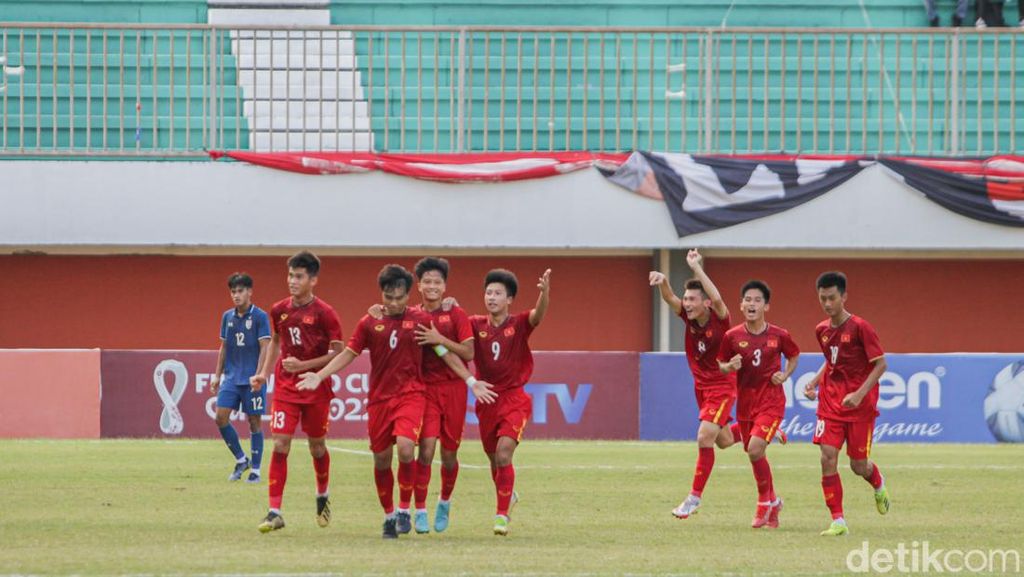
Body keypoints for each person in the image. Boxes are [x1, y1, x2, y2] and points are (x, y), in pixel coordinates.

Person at [300, 264, 494, 539]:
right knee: (381, 460)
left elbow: (443, 353)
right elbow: (349, 353)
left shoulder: (419, 320)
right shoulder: (369, 322)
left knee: (406, 448)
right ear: (381, 295)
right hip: (380, 399)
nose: (393, 303)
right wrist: (319, 376)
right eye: (388, 297)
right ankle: (389, 515)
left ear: (408, 295)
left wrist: (471, 381)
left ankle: (405, 509)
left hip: (412, 395)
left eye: (399, 298)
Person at [253, 251, 344, 533]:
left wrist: (305, 366)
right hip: (286, 387)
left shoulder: (325, 313)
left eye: (299, 276)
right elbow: (276, 342)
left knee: (317, 447)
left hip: (316, 387)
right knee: (280, 444)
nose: (292, 280)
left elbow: (339, 353)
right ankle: (274, 512)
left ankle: (322, 494)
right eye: (290, 275)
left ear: (313, 280)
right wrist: (264, 373)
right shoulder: (279, 309)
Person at [649, 249, 741, 520]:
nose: (686, 303)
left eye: (692, 299)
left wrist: (696, 267)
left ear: (705, 303)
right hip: (701, 387)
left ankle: (694, 498)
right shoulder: (687, 318)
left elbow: (719, 299)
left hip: (722, 385)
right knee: (724, 441)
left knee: (703, 437)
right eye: (686, 298)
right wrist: (663, 281)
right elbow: (669, 297)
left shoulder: (720, 319)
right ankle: (759, 428)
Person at [803, 271, 891, 537]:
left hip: (859, 407)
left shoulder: (861, 327)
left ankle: (878, 482)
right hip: (830, 403)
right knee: (827, 457)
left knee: (858, 466)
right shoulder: (821, 330)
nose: (827, 303)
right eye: (822, 298)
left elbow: (881, 364)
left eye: (832, 298)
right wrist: (815, 382)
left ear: (844, 297)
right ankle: (838, 520)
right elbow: (832, 361)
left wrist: (859, 394)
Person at [469, 268, 551, 536]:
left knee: (504, 453)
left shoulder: (518, 324)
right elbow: (451, 326)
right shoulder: (474, 324)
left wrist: (544, 293)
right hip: (486, 399)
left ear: (509, 299)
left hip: (514, 398)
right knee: (494, 460)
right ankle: (509, 496)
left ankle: (501, 515)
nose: (491, 297)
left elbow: (538, 315)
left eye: (497, 293)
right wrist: (448, 306)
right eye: (488, 292)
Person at [717, 280, 799, 529]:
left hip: (771, 402)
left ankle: (763, 503)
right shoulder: (732, 336)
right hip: (746, 404)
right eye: (748, 300)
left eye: (757, 300)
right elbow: (720, 364)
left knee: (754, 449)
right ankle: (774, 503)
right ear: (741, 305)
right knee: (748, 449)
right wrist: (729, 366)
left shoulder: (779, 335)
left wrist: (785, 374)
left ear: (766, 306)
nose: (752, 304)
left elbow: (794, 355)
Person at [409, 257, 475, 533]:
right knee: (425, 450)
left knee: (449, 454)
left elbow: (469, 352)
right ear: (419, 285)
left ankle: (444, 501)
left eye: (437, 282)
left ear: (445, 286)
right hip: (426, 390)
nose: (432, 286)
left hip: (454, 389)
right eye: (427, 281)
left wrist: (441, 339)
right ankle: (420, 510)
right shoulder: (413, 315)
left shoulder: (456, 314)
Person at [210, 273, 271, 483]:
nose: (236, 295)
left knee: (254, 422)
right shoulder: (227, 317)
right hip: (231, 378)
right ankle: (241, 459)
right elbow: (224, 347)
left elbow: (265, 347)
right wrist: (217, 375)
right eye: (233, 291)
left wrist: (260, 375)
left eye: (240, 291)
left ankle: (256, 470)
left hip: (252, 379)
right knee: (220, 417)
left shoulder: (260, 317)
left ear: (249, 292)